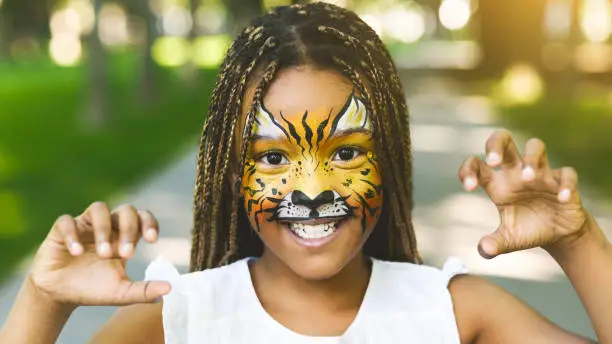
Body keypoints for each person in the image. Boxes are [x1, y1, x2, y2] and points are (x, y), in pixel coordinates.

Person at [1, 2, 610, 343]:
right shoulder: (180, 319)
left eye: (345, 153)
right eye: (271, 158)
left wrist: (577, 241)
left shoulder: (451, 313)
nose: (312, 190)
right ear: (231, 176)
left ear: (388, 159)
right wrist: (42, 300)